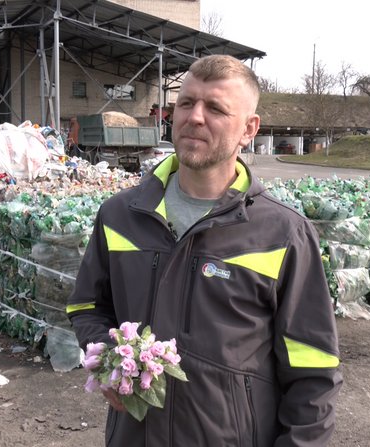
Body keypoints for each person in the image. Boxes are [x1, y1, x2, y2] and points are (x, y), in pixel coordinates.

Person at [67, 54, 342, 446]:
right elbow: (87, 307)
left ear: (249, 129)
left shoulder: (283, 234)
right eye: (186, 103)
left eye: (215, 108)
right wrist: (110, 359)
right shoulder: (119, 216)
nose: (195, 117)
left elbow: (312, 370)